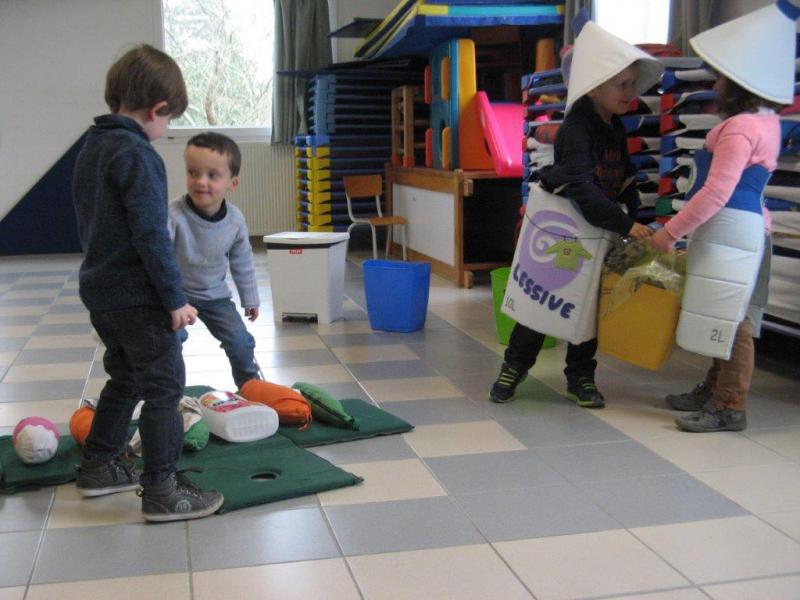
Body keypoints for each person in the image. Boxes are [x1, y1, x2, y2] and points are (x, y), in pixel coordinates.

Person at [72, 44, 223, 521]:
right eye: (169, 120)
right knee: (164, 386)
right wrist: (175, 299)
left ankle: (98, 465)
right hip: (138, 296)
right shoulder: (138, 155)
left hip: (101, 289)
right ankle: (162, 488)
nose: (165, 130)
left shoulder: (92, 146)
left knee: (127, 376)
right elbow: (151, 236)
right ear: (157, 109)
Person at [490, 21, 661, 407]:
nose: (630, 92)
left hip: (599, 230)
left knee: (587, 309)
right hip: (566, 229)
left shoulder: (614, 126)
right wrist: (625, 223)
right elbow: (582, 187)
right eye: (621, 85)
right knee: (543, 303)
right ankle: (514, 366)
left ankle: (581, 377)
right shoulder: (576, 129)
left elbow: (624, 176)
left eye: (632, 84)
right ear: (595, 87)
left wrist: (634, 212)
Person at [651, 1, 796, 432]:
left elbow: (717, 191)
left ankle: (729, 404)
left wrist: (671, 232)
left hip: (731, 229)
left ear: (736, 83)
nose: (714, 84)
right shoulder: (766, 122)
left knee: (732, 319)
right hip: (742, 229)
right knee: (725, 312)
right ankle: (714, 390)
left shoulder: (741, 128)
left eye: (719, 77)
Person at [168, 132, 261, 390]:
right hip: (176, 296)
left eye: (212, 175)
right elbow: (158, 257)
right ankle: (170, 394)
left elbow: (242, 262)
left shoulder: (235, 220)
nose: (201, 181)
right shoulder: (173, 215)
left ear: (233, 183)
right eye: (193, 172)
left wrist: (250, 298)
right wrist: (169, 299)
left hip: (214, 294)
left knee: (240, 341)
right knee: (170, 342)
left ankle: (252, 388)